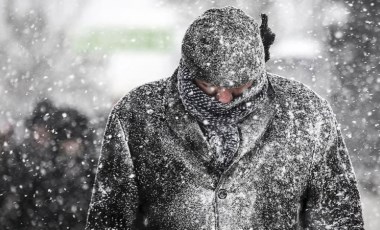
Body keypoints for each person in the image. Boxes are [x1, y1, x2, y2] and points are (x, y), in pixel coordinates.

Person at [86, 6, 364, 229]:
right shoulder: (137, 114)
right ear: (187, 69)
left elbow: (338, 216)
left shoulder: (306, 114)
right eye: (209, 85)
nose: (223, 98)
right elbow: (109, 218)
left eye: (237, 87)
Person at [0, 99, 97, 229]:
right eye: (66, 139)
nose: (70, 146)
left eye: (74, 139)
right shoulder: (37, 163)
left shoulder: (91, 168)